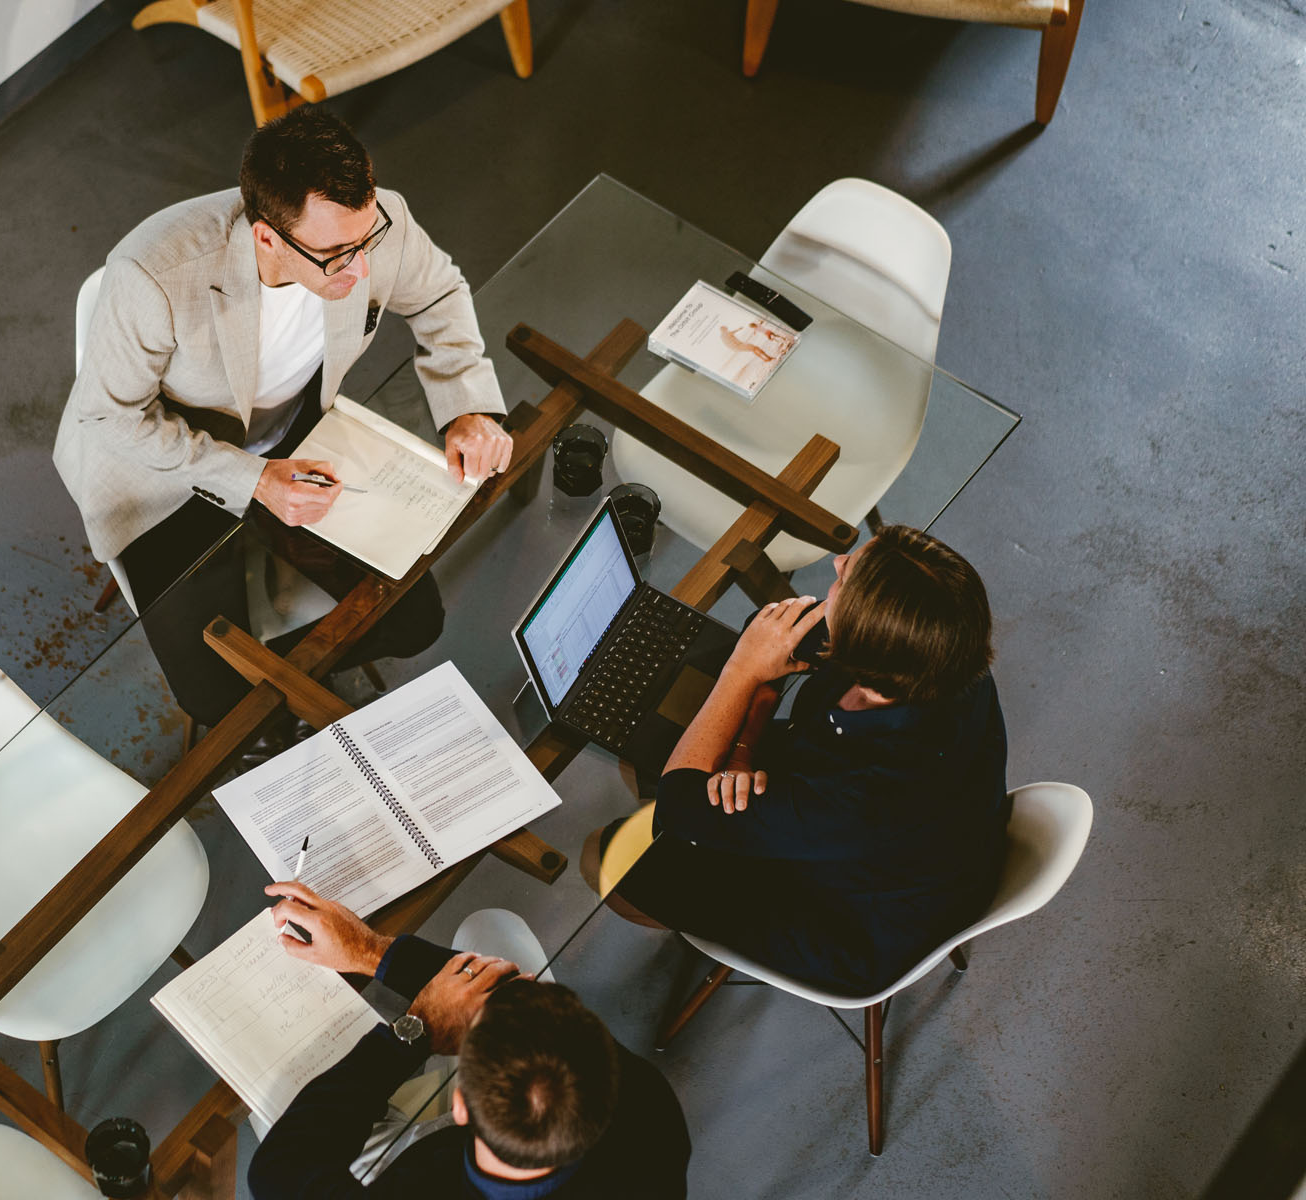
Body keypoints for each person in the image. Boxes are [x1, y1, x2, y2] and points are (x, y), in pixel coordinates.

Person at [52, 106, 513, 725]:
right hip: (162, 471)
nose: (363, 270)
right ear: (267, 237)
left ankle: (286, 692)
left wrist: (468, 408)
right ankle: (265, 707)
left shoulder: (376, 224)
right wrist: (255, 482)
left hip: (294, 437)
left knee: (413, 617)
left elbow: (439, 293)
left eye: (367, 240)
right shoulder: (155, 274)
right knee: (216, 699)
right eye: (336, 255)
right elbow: (110, 417)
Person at [583, 525, 1011, 997]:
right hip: (908, 850)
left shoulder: (868, 801)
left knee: (601, 855)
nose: (835, 564)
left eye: (845, 578)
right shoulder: (940, 649)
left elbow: (679, 805)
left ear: (863, 656)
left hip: (847, 925)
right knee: (661, 745)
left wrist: (742, 672)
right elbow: (765, 629)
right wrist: (742, 752)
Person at [247, 882, 691, 1198]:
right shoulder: (649, 1108)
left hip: (405, 1157)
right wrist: (369, 951)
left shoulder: (416, 1186)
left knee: (264, 1108)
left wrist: (414, 1030)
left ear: (460, 1104)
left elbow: (280, 1169)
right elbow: (512, 992)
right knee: (493, 926)